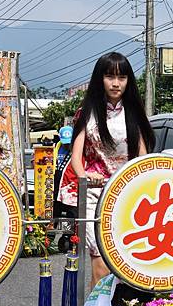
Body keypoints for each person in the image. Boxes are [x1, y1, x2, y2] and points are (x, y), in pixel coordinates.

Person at [60, 51, 155, 289]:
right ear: (99, 79)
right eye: (110, 76)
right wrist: (84, 177)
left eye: (122, 77)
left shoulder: (134, 113)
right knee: (100, 259)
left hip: (126, 195)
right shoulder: (87, 112)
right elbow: (76, 156)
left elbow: (143, 157)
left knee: (122, 260)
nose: (116, 83)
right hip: (94, 194)